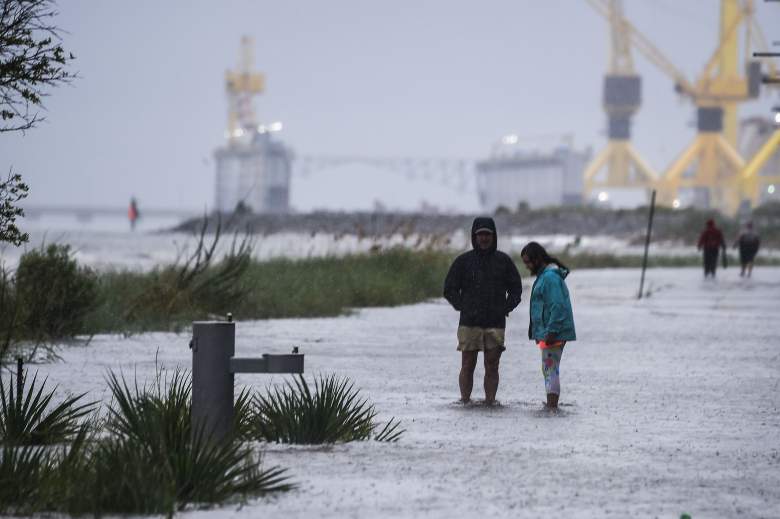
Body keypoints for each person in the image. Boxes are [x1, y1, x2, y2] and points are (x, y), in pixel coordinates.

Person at [443, 216, 523, 405]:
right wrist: (462, 305)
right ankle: (464, 400)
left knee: (492, 365)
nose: (484, 238)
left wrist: (506, 307)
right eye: (480, 235)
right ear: (474, 236)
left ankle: (490, 402)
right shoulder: (463, 262)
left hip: (496, 322)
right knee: (467, 365)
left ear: (494, 236)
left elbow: (516, 289)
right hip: (469, 322)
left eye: (487, 234)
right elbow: (449, 289)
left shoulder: (504, 261)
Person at [520, 242, 576, 410]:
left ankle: (552, 407)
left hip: (554, 331)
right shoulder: (547, 276)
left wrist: (551, 331)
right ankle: (552, 404)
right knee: (549, 368)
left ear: (538, 259)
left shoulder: (550, 278)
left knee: (550, 368)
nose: (527, 266)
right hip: (550, 331)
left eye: (528, 262)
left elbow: (557, 306)